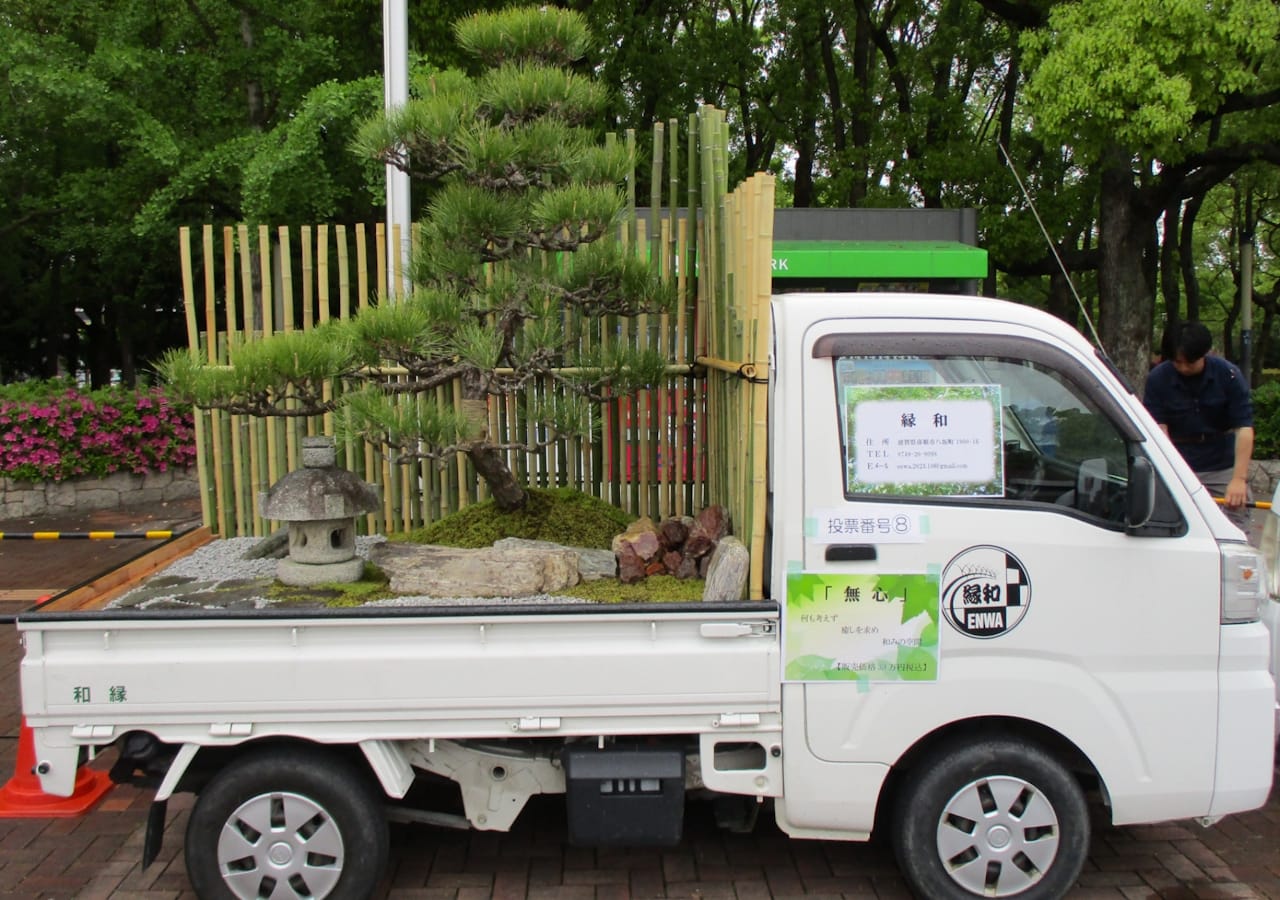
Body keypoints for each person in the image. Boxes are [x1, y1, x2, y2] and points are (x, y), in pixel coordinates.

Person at [1142, 321, 1254, 530]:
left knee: (1235, 521)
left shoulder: (1229, 375)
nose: (1183, 367)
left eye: (1190, 362)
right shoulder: (1158, 379)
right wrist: (1171, 473)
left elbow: (1244, 428)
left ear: (1205, 353)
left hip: (1221, 465)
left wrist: (1239, 479)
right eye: (1177, 362)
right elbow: (1159, 430)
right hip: (1179, 463)